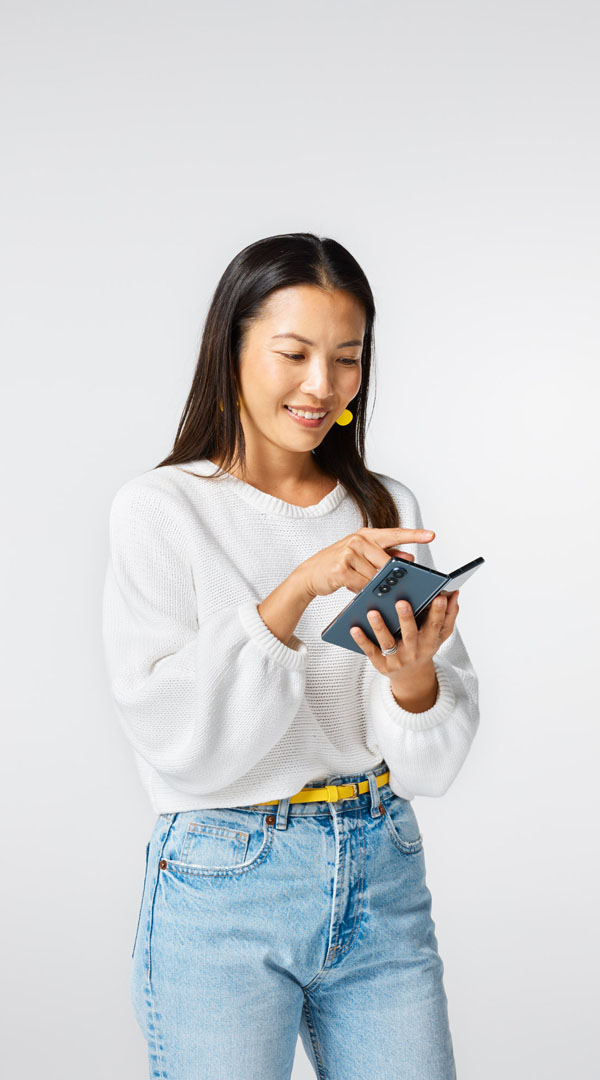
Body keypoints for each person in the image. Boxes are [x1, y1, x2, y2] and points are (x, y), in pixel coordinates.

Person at [101, 232, 480, 1079]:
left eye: (347, 358)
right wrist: (296, 591)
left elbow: (431, 762)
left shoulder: (384, 504)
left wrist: (413, 677)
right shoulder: (160, 510)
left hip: (381, 862)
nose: (323, 385)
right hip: (223, 877)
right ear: (232, 347)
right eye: (294, 353)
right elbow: (178, 742)